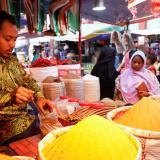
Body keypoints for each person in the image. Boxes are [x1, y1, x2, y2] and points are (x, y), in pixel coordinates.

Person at [0, 11, 54, 145]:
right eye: (7, 39)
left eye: (14, 39)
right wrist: (11, 96)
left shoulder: (12, 60)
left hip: (30, 123)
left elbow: (28, 80)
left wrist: (39, 97)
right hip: (7, 136)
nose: (12, 45)